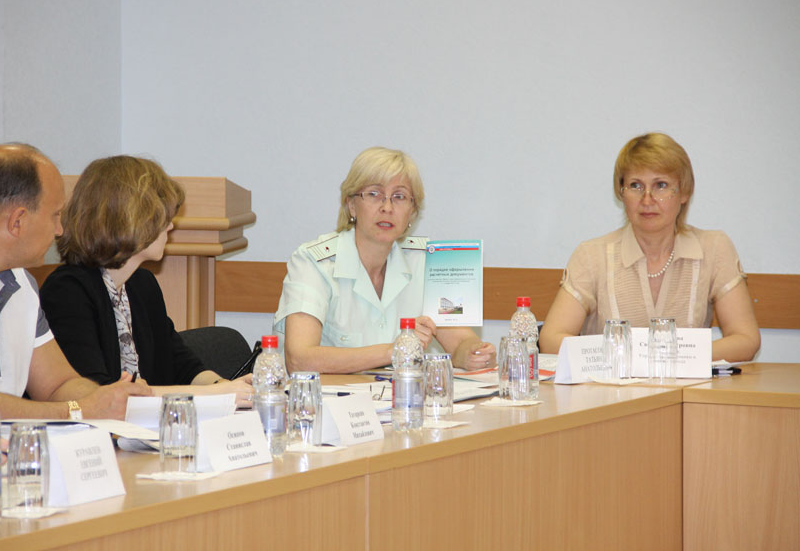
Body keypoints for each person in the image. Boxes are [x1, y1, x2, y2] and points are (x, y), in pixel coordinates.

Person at [0, 143, 151, 420]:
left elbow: (58, 385)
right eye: (55, 215)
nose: (60, 230)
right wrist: (80, 410)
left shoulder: (22, 284)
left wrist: (108, 397)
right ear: (17, 221)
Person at [39, 156, 255, 407]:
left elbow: (181, 364)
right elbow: (97, 394)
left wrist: (225, 386)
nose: (170, 226)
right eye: (162, 217)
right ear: (131, 219)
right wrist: (217, 395)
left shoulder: (141, 284)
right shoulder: (67, 292)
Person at [539, 133, 760, 362]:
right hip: (611, 386)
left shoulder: (714, 248)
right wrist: (629, 356)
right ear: (621, 193)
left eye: (661, 185)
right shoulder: (592, 255)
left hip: (687, 385)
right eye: (635, 186)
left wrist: (670, 357)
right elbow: (551, 340)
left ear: (684, 192)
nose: (647, 199)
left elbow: (746, 339)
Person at [274, 147, 495, 374]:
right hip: (327, 397)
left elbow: (460, 343)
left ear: (412, 212)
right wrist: (395, 350)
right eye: (373, 194)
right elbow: (300, 359)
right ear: (352, 205)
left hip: (402, 395)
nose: (387, 208)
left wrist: (474, 353)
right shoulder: (312, 262)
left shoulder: (430, 263)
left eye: (399, 197)